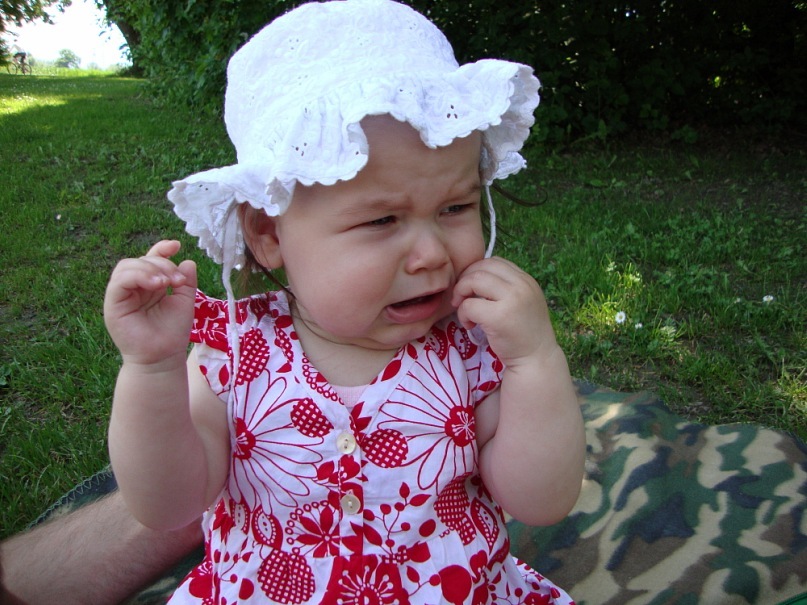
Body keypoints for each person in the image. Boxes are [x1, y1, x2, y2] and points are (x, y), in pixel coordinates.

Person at [108, 0, 587, 603]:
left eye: (456, 207)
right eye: (382, 220)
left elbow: (542, 501)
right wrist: (152, 370)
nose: (431, 254)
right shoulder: (236, 355)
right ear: (269, 233)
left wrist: (536, 361)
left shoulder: (471, 351)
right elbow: (167, 506)